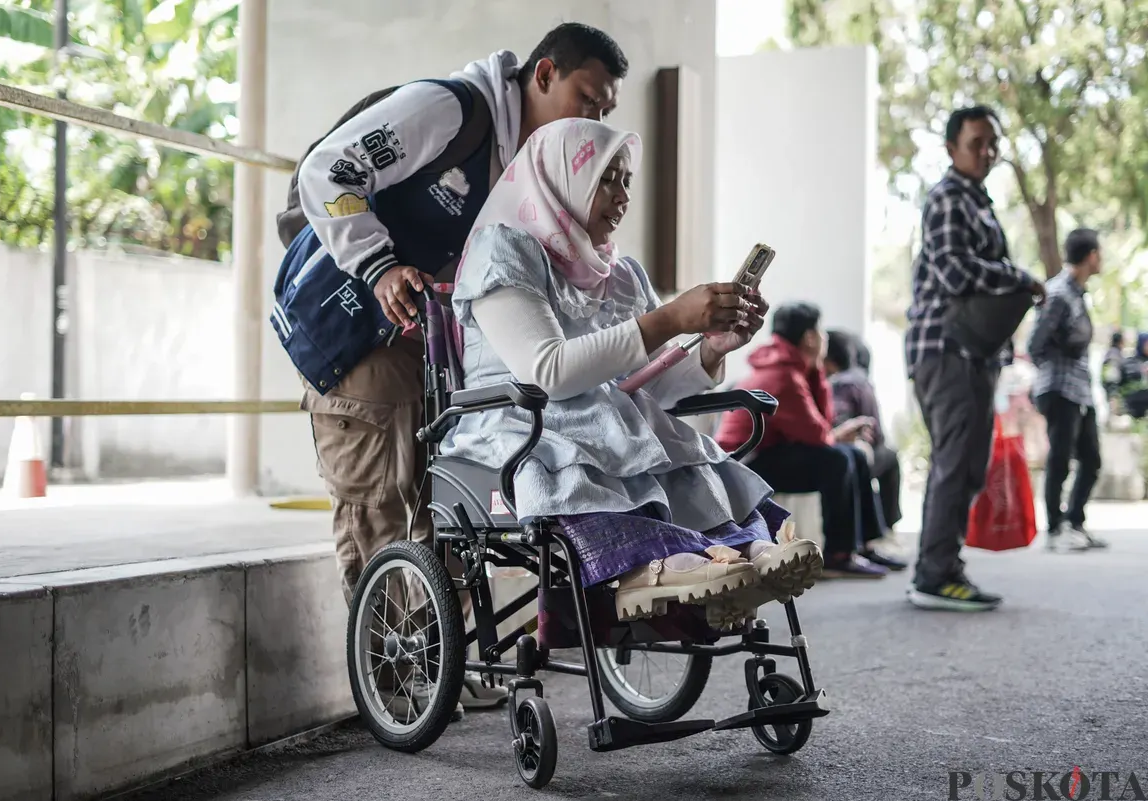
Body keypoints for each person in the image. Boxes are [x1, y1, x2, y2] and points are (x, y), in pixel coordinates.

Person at [277, 23, 631, 715]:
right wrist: (377, 264)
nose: (593, 123)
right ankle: (394, 687)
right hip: (354, 328)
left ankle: (437, 662)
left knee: (448, 508)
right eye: (587, 100)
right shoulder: (450, 110)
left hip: (428, 338)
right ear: (544, 74)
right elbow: (328, 170)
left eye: (606, 114)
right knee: (382, 496)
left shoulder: (527, 165)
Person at [440, 118, 824, 632]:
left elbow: (657, 384)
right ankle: (662, 564)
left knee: (676, 451)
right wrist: (668, 318)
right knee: (588, 456)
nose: (622, 195)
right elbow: (546, 372)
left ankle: (740, 552)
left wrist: (713, 347)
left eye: (626, 180)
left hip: (606, 421)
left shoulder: (621, 273)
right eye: (606, 178)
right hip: (520, 421)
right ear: (560, 179)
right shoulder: (505, 250)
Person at [904, 105, 1046, 612]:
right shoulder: (947, 199)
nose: (986, 152)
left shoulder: (975, 201)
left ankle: (942, 568)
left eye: (992, 143)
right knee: (955, 461)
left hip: (971, 353)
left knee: (966, 465)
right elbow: (955, 273)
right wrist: (1020, 279)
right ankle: (935, 575)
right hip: (946, 349)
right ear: (951, 148)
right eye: (976, 142)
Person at [715, 303, 904, 578]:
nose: (825, 339)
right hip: (744, 464)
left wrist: (815, 372)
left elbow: (819, 426)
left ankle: (863, 545)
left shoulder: (789, 367)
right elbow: (817, 435)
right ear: (810, 338)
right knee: (840, 459)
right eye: (821, 332)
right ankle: (840, 553)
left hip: (765, 453)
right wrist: (839, 428)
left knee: (852, 454)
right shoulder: (785, 375)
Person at [1027, 228, 1108, 552]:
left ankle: (1075, 522)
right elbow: (1036, 345)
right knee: (1060, 459)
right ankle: (1055, 528)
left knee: (1091, 458)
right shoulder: (1059, 293)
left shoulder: (1077, 294)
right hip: (1059, 389)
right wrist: (1058, 359)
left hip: (1080, 390)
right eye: (1099, 253)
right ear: (1090, 256)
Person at [824, 329, 903, 533]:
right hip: (850, 450)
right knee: (889, 456)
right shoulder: (858, 382)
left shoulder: (838, 383)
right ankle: (885, 528)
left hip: (840, 446)